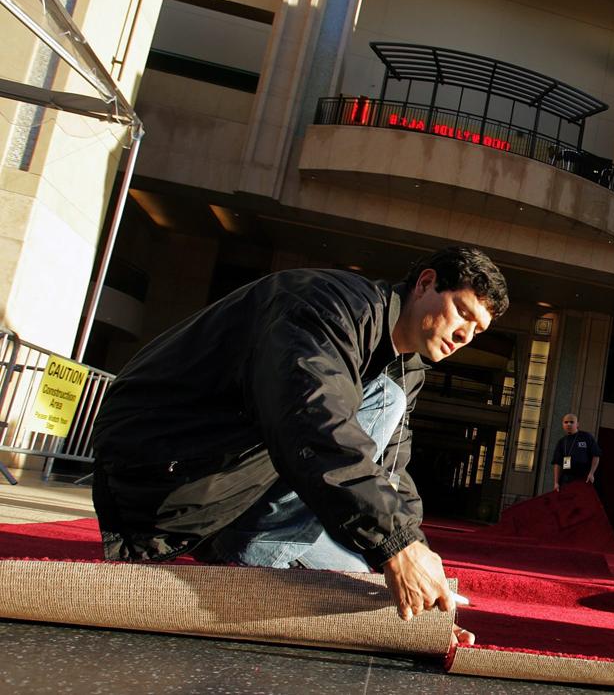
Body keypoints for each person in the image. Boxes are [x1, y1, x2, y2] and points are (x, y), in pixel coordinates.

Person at [91, 246, 508, 644]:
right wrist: (397, 545)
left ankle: (261, 551)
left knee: (376, 577)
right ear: (425, 283)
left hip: (242, 487)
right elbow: (313, 425)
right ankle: (253, 548)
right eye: (462, 312)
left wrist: (415, 561)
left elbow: (392, 470)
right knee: (384, 530)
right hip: (167, 469)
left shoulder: (405, 367)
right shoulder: (327, 308)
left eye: (477, 329)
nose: (464, 335)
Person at [550, 413, 601, 492]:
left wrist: (591, 473)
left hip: (583, 476)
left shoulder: (586, 437)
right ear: (563, 425)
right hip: (566, 477)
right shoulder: (562, 442)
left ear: (577, 424)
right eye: (566, 422)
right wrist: (556, 482)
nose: (569, 424)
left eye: (571, 422)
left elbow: (596, 455)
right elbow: (558, 463)